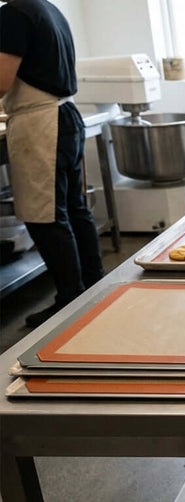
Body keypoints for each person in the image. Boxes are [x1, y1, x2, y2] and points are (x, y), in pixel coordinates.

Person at [0, 0, 105, 328]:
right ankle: (95, 287)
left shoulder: (13, 14)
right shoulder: (48, 9)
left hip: (41, 121)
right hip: (66, 115)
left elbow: (2, 81)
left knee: (45, 216)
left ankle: (70, 300)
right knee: (74, 209)